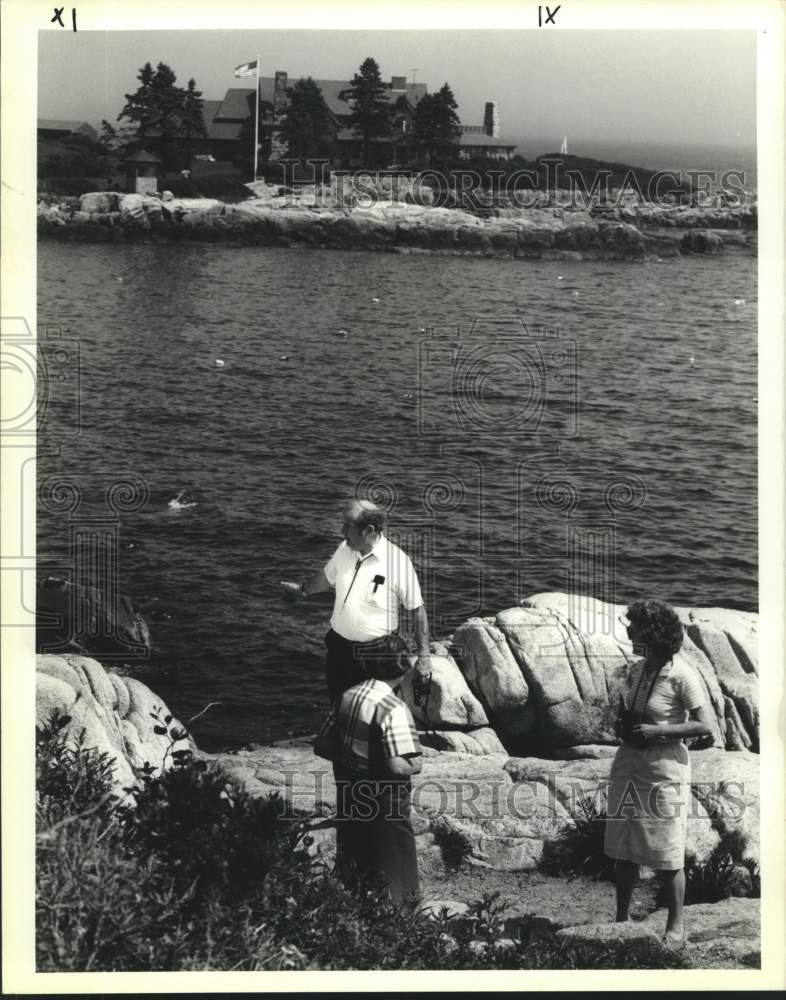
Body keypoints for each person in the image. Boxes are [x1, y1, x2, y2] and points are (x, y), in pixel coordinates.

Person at [604, 599, 715, 952]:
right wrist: (625, 727)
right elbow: (634, 715)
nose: (628, 630)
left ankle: (677, 927)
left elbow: (704, 725)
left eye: (633, 626)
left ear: (651, 632)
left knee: (666, 850)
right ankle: (622, 919)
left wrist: (656, 732)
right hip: (630, 763)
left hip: (664, 767)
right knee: (624, 847)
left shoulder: (680, 672)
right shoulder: (639, 670)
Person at [281, 498, 432, 702]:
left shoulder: (398, 562)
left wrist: (424, 657)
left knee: (373, 716)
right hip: (340, 650)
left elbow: (417, 610)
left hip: (377, 655)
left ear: (369, 530)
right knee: (339, 707)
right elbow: (326, 578)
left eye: (347, 526)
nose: (342, 531)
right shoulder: (345, 549)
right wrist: (302, 591)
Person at [312, 647, 423, 902]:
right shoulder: (393, 708)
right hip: (385, 800)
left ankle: (351, 913)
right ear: (402, 669)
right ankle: (399, 921)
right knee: (395, 863)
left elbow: (322, 745)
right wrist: (416, 765)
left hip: (351, 790)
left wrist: (354, 759)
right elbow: (397, 767)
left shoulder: (346, 695)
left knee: (354, 858)